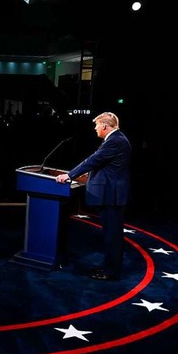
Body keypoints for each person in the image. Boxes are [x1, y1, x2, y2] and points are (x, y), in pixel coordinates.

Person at [55, 111, 131, 281]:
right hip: (112, 195)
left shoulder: (115, 141)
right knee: (110, 234)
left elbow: (93, 160)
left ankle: (111, 272)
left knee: (112, 236)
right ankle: (109, 267)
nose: (95, 129)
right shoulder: (116, 139)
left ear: (104, 125)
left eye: (97, 125)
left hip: (112, 196)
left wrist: (69, 175)